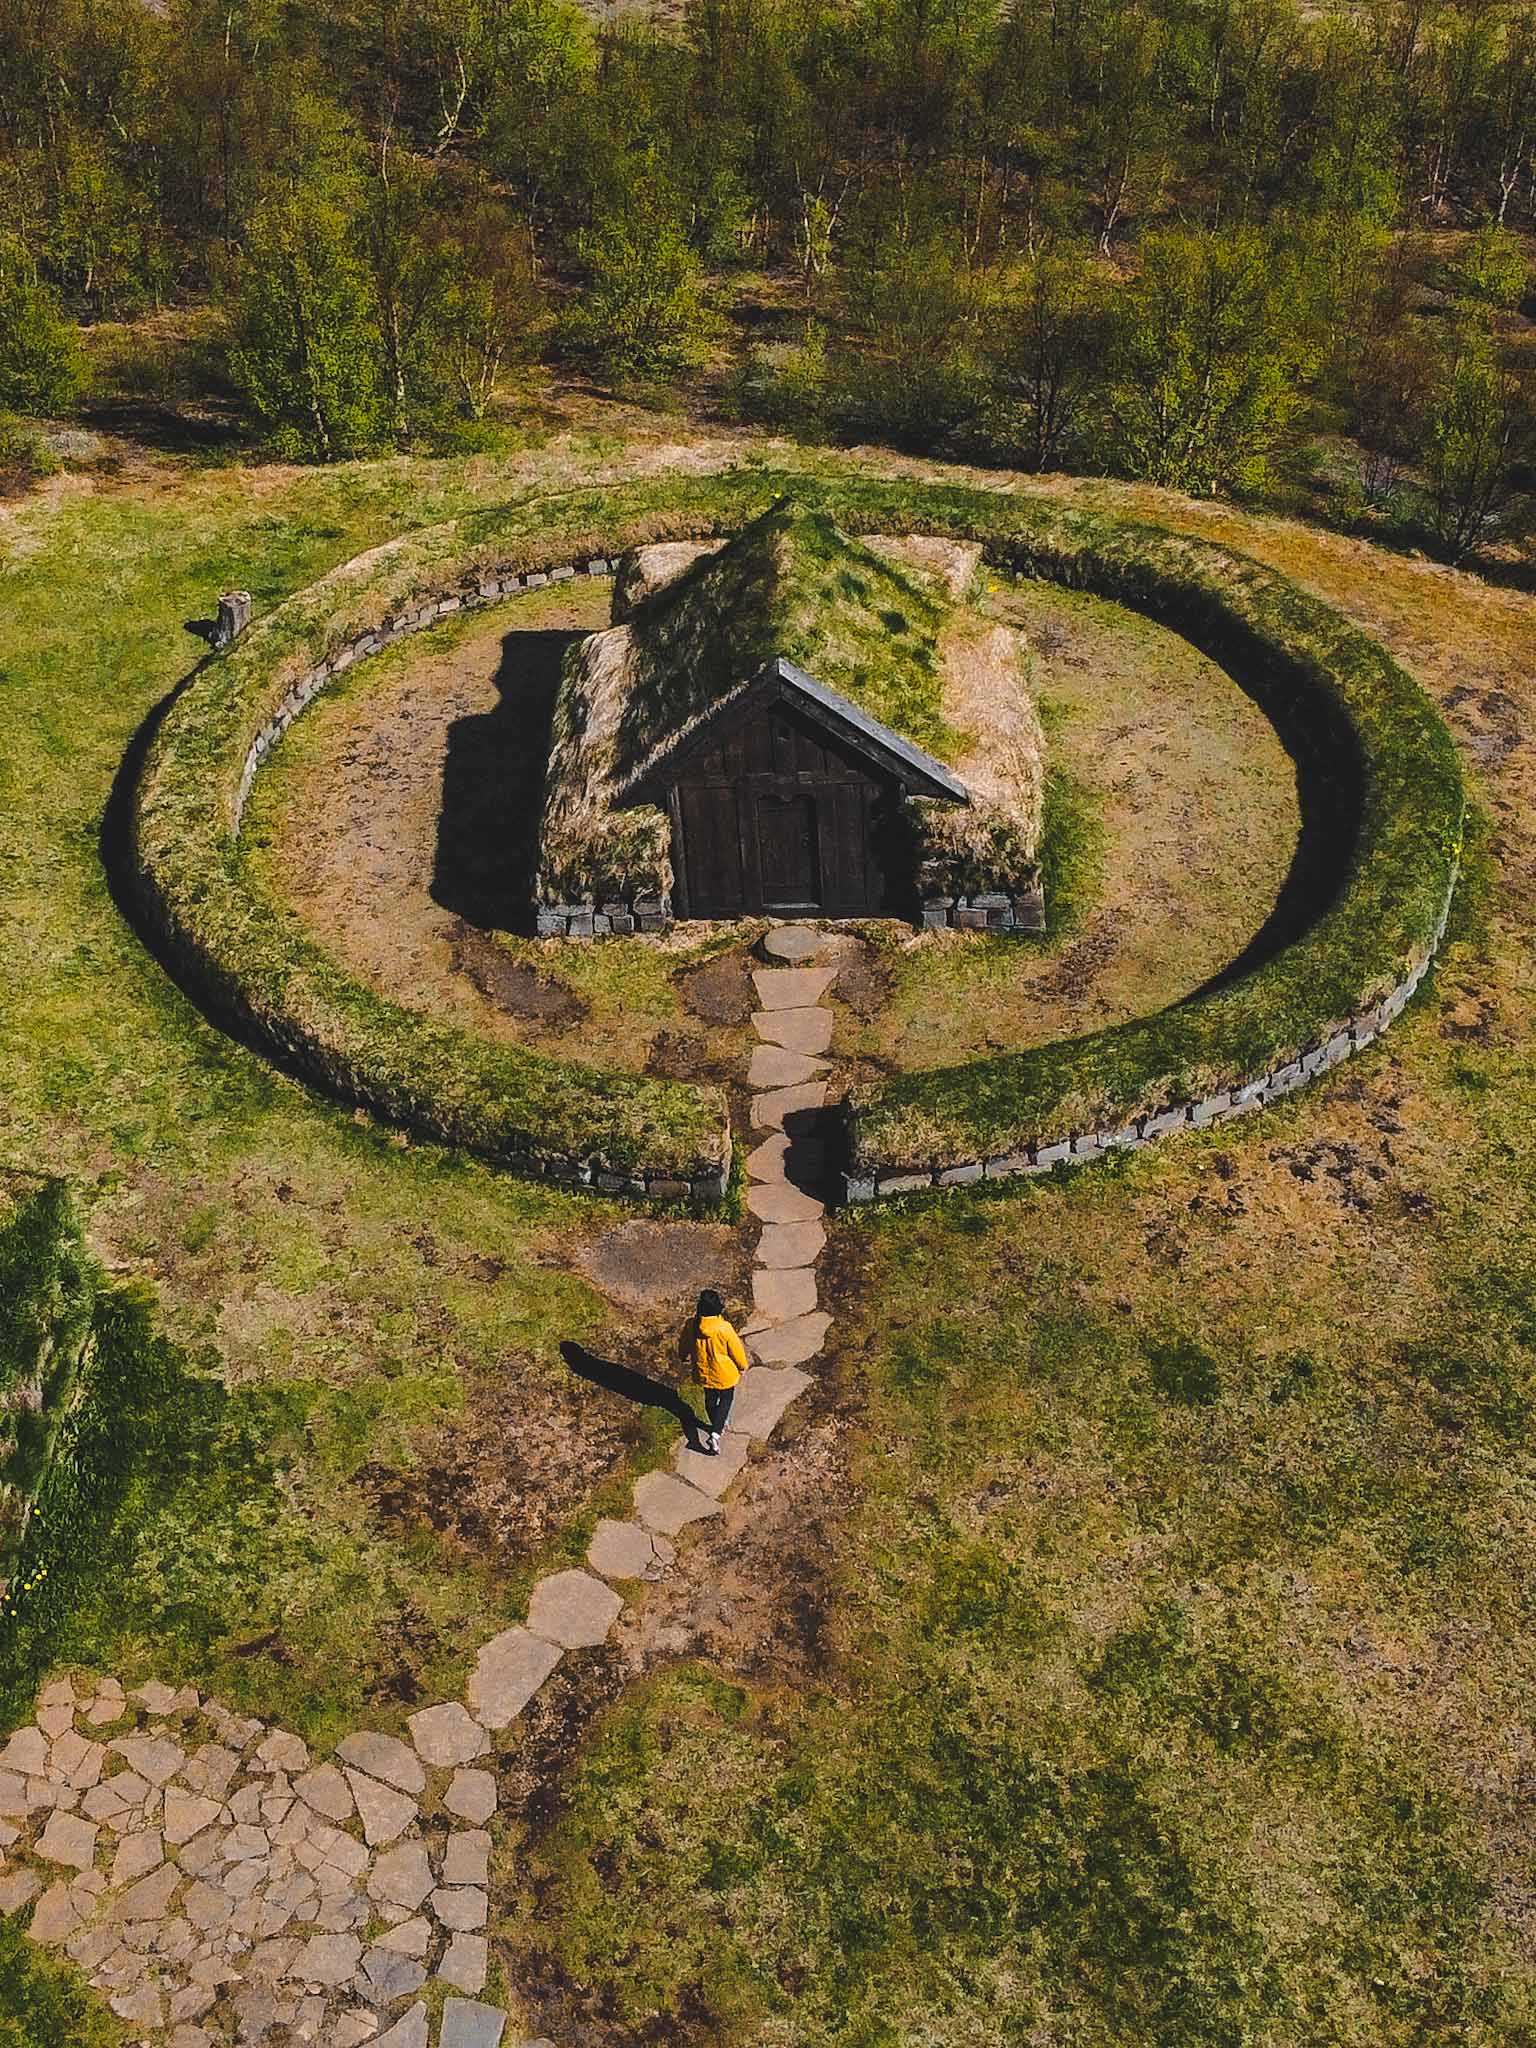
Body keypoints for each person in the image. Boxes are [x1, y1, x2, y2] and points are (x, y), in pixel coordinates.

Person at [681, 1288, 749, 1454]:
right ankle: (715, 1434)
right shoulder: (723, 1327)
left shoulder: (692, 1324)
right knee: (726, 1400)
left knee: (710, 1400)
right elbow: (736, 1350)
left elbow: (684, 1343)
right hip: (724, 1374)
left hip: (704, 1373)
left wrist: (683, 1355)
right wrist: (742, 1366)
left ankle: (717, 1424)